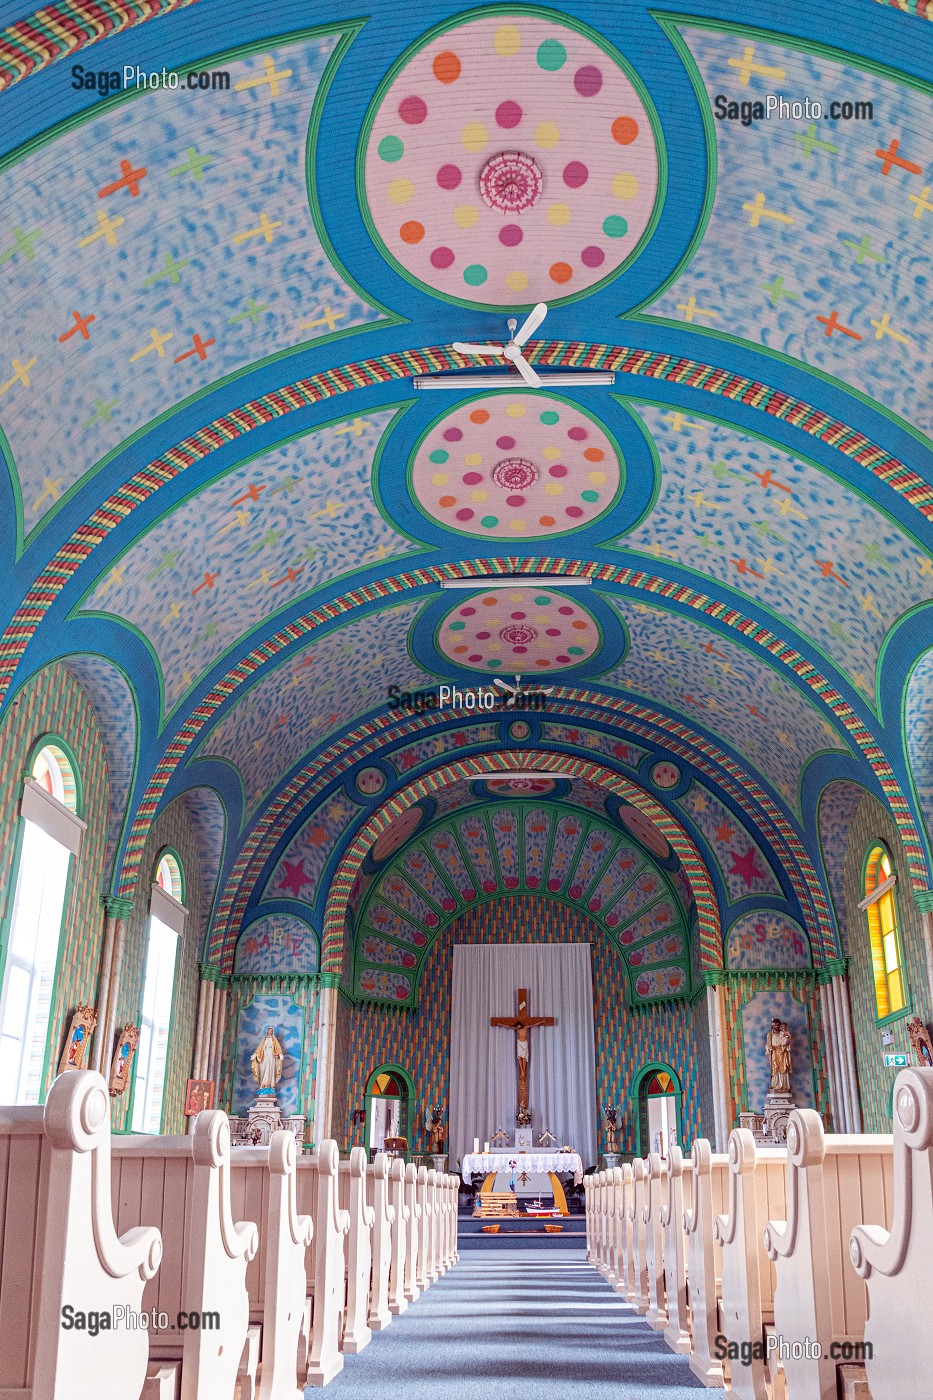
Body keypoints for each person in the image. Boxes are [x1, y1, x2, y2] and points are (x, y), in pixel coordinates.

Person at [251, 1026, 284, 1092]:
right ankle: (263, 1084)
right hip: (264, 1055)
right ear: (267, 1031)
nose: (270, 1032)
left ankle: (270, 1085)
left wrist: (280, 1054)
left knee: (270, 1069)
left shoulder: (274, 1039)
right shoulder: (264, 1039)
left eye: (272, 1031)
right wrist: (255, 1054)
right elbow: (260, 1048)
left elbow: (278, 1047)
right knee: (263, 1068)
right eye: (269, 1031)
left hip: (271, 1056)